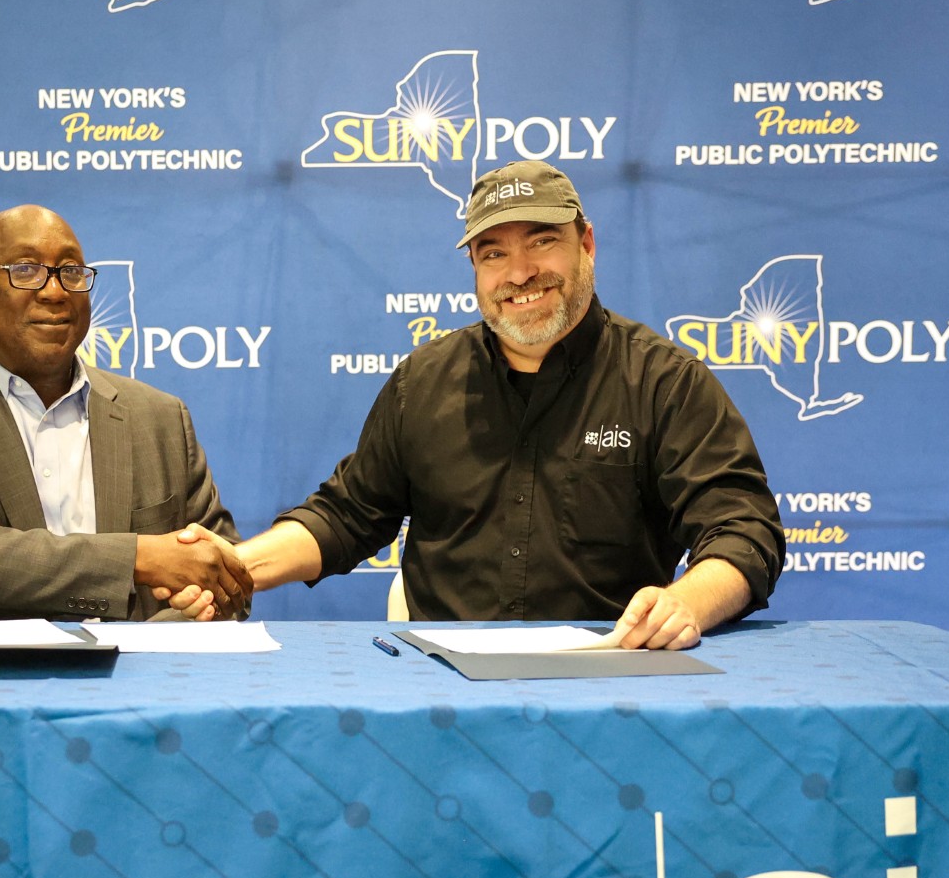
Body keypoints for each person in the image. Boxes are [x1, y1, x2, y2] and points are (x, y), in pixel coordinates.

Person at [207, 161, 783, 649]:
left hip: (610, 679)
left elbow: (743, 530)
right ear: (475, 271)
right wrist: (230, 570)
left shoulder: (664, 382)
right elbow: (349, 515)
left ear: (586, 244)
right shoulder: (423, 382)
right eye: (493, 253)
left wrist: (683, 604)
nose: (520, 272)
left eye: (542, 240)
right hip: (443, 689)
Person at [0, 205, 248, 622]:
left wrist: (185, 615)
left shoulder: (160, 417)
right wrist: (137, 557)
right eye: (25, 270)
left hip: (141, 679)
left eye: (71, 271)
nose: (56, 292)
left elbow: (224, 574)